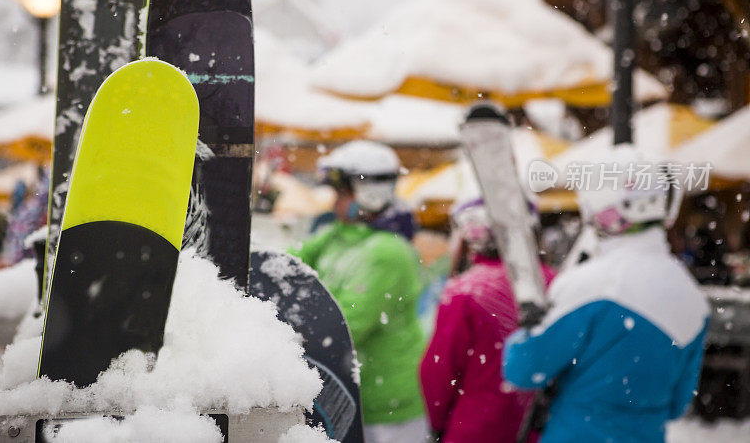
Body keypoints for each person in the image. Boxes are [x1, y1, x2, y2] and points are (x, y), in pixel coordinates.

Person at [502, 146, 710, 443]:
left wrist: (526, 332)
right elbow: (677, 404)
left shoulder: (588, 285)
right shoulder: (692, 299)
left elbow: (523, 370)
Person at [291, 140, 427, 443]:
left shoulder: (388, 252)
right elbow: (285, 265)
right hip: (356, 396)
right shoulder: (337, 237)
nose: (334, 204)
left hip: (389, 410)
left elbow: (346, 327)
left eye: (340, 194)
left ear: (369, 195)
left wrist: (285, 336)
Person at [421, 197, 554, 442]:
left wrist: (437, 424)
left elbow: (439, 370)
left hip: (477, 427)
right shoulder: (555, 282)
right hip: (543, 426)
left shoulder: (465, 291)